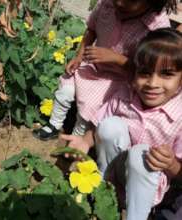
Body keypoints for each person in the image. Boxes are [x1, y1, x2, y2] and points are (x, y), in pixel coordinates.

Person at [61, 28, 182, 220]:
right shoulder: (126, 94)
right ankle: (104, 192)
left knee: (140, 154)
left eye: (166, 74)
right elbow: (98, 124)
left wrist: (172, 164)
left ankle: (135, 216)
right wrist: (84, 142)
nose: (152, 83)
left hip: (143, 189)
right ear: (134, 74)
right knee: (110, 126)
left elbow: (180, 172)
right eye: (144, 73)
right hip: (115, 171)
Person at [33, 0, 177, 141]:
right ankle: (54, 125)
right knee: (66, 90)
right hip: (94, 67)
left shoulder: (156, 27)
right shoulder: (106, 5)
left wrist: (117, 59)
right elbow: (91, 30)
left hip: (122, 79)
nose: (120, 3)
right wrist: (79, 57)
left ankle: (77, 139)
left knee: (89, 106)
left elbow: (151, 71)